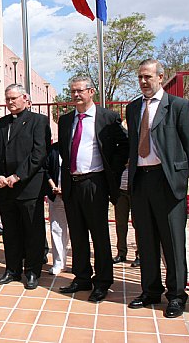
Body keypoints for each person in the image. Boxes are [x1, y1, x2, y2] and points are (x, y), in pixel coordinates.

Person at [126, 59, 189, 318]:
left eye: (148, 77)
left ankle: (177, 295)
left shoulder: (179, 106)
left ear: (160, 77)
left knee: (172, 242)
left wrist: (178, 177)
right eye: (140, 77)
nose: (144, 82)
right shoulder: (133, 108)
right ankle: (150, 290)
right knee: (146, 241)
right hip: (142, 181)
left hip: (168, 182)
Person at [57, 76, 128, 302]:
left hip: (95, 183)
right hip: (72, 183)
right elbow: (63, 150)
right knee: (77, 235)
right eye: (73, 92)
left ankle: (103, 281)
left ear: (91, 92)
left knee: (99, 234)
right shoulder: (66, 120)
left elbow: (124, 145)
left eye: (80, 91)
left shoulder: (107, 117)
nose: (76, 95)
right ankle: (82, 278)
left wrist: (112, 169)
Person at [0, 84, 51, 290]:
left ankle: (32, 271)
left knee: (33, 230)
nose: (10, 102)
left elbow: (39, 153)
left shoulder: (38, 121)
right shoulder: (0, 124)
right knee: (11, 231)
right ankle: (12, 269)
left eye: (14, 98)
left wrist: (18, 176)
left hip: (28, 187)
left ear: (25, 98)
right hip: (4, 188)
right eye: (7, 99)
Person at [45, 141, 69, 275]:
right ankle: (58, 262)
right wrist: (53, 186)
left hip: (73, 195)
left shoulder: (78, 146)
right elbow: (46, 170)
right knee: (57, 228)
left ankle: (77, 263)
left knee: (75, 231)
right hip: (56, 195)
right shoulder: (53, 150)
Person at [113, 166, 140, 267]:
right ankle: (121, 252)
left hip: (136, 190)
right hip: (121, 190)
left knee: (138, 224)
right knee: (120, 223)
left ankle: (140, 254)